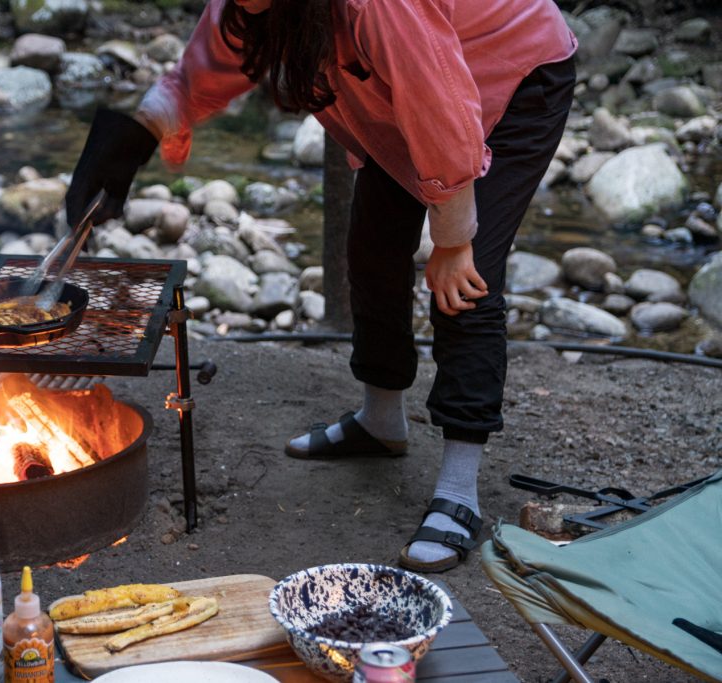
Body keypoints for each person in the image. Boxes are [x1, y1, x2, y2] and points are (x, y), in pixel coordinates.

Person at [65, 0, 577, 572]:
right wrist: (139, 133)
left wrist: (453, 239)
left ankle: (459, 493)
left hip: (510, 75)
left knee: (465, 278)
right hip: (406, 94)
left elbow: (437, 100)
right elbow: (221, 53)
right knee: (373, 249)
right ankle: (381, 422)